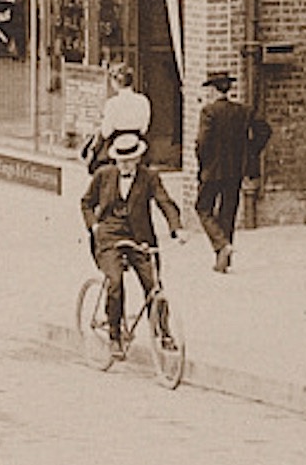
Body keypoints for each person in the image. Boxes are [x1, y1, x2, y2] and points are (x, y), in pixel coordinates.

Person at [81, 130, 183, 357]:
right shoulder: (103, 175)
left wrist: (175, 229)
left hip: (140, 238)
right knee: (115, 282)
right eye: (120, 160)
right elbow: (86, 202)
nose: (125, 165)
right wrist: (94, 226)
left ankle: (163, 332)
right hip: (109, 236)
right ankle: (114, 335)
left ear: (138, 158)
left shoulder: (149, 178)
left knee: (153, 284)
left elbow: (164, 202)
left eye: (129, 160)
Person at [194, 70, 268, 272]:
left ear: (213, 90)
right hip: (236, 170)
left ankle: (221, 245)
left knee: (203, 208)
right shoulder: (243, 110)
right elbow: (264, 131)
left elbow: (202, 142)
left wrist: (202, 162)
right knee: (228, 211)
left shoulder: (208, 112)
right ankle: (223, 260)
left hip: (212, 170)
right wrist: (250, 151)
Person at [90, 61, 151, 172]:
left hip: (116, 148)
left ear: (115, 83)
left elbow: (106, 132)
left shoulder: (112, 104)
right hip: (137, 145)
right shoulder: (143, 101)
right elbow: (144, 128)